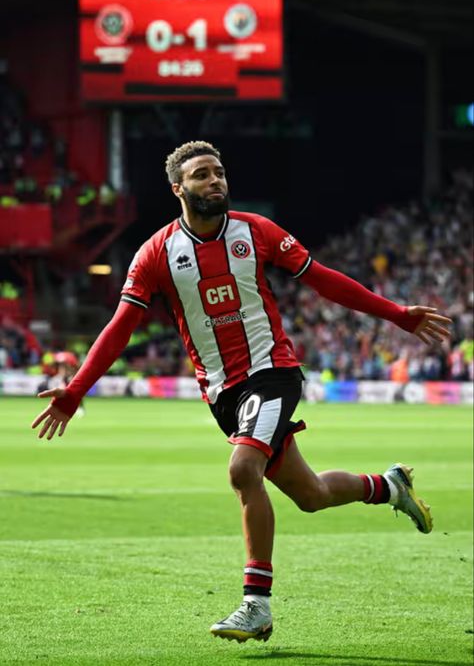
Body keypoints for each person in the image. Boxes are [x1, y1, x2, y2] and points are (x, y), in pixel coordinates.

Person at [30, 141, 452, 643]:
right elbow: (121, 327)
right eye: (203, 175)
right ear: (178, 189)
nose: (215, 182)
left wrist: (397, 314)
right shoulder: (156, 254)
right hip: (222, 394)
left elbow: (325, 282)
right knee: (311, 495)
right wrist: (76, 390)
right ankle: (390, 486)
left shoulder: (256, 232)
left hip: (272, 371)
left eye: (219, 173)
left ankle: (257, 604)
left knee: (242, 468)